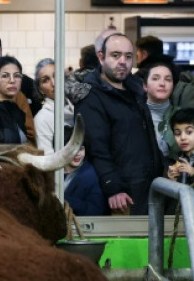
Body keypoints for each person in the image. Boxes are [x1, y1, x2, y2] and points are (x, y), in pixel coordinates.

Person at [76, 33, 162, 216]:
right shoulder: (91, 96)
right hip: (121, 194)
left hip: (147, 187)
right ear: (101, 57)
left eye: (128, 56)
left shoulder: (135, 90)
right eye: (115, 55)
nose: (122, 61)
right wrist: (112, 186)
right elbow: (96, 147)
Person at [33, 58, 74, 154]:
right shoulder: (42, 119)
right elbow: (47, 158)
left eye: (56, 76)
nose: (54, 83)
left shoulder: (78, 106)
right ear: (40, 90)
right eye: (45, 80)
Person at [61, 126, 104, 217]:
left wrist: (62, 199)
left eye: (81, 148)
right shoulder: (53, 173)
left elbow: (95, 210)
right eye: (72, 149)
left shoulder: (90, 176)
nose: (77, 154)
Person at [140, 61, 178, 157]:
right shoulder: (134, 114)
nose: (162, 83)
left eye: (168, 79)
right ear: (145, 86)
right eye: (155, 78)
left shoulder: (182, 115)